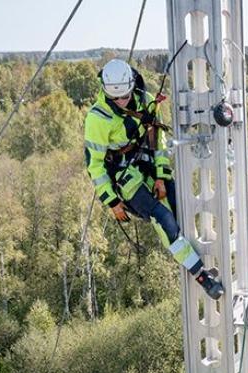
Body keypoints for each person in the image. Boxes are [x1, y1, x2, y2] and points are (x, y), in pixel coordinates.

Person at [85, 59, 225, 299]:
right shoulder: (98, 118)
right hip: (125, 177)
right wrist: (112, 202)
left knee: (180, 202)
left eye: (125, 96)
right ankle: (201, 275)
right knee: (164, 219)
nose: (122, 101)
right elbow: (95, 166)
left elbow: (156, 141)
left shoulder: (145, 100)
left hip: (147, 162)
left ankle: (200, 253)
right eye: (116, 99)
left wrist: (161, 175)